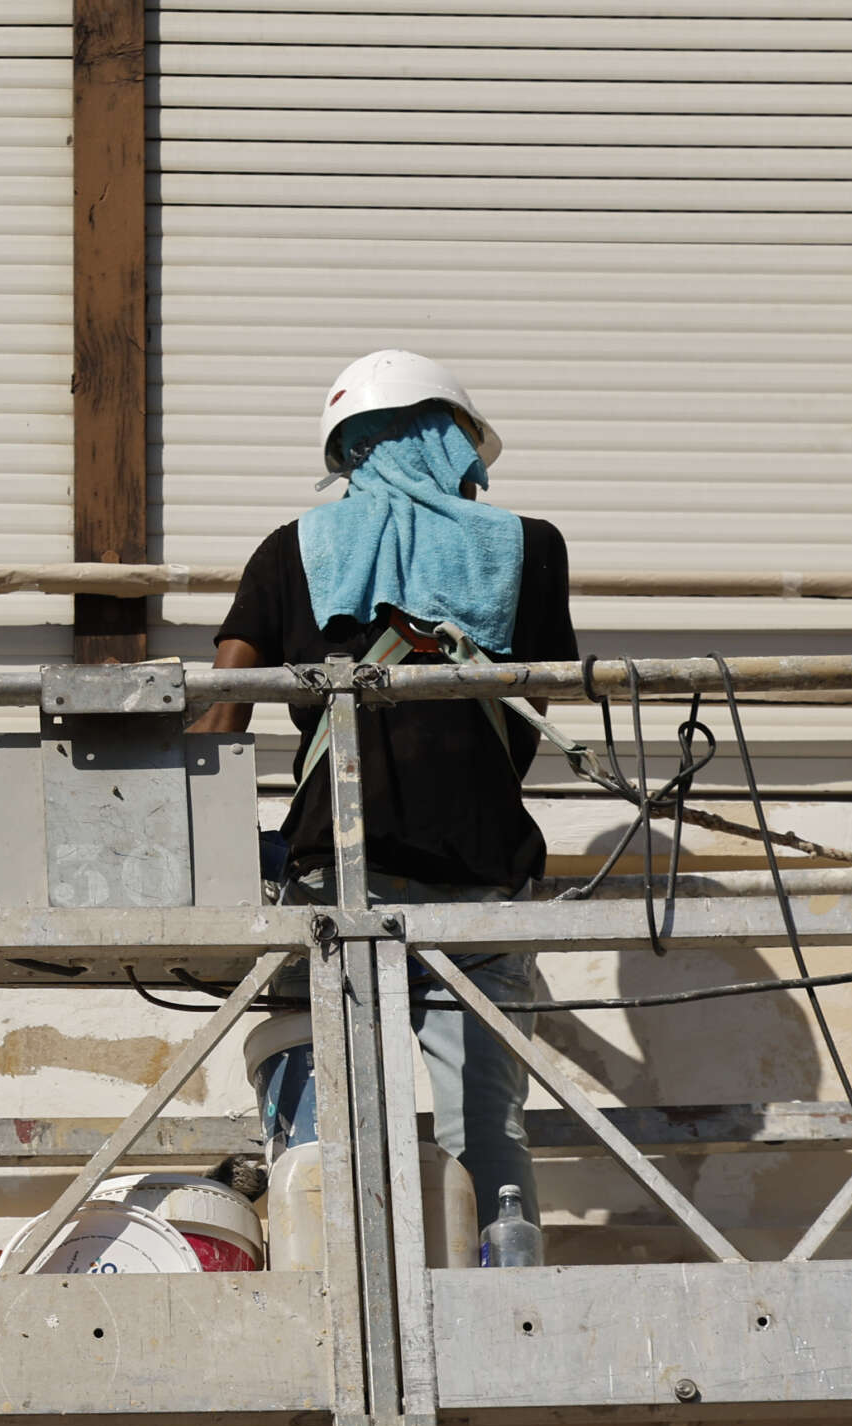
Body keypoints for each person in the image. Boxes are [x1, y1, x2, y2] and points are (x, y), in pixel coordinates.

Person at [188, 349, 577, 1258]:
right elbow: (539, 705)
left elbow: (219, 719)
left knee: (328, 1134)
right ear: (440, 436)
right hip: (483, 876)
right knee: (487, 1134)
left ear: (351, 449)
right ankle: (504, 1303)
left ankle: (334, 1297)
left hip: (337, 881)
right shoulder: (528, 548)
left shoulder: (292, 551)